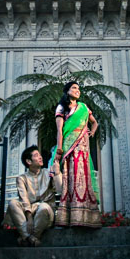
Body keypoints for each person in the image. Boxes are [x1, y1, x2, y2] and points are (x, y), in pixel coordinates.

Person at [49, 80, 103, 228]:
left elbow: (94, 122)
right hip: (69, 147)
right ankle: (70, 216)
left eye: (78, 88)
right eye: (74, 88)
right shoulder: (62, 107)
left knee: (83, 178)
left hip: (83, 147)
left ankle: (87, 216)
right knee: (71, 177)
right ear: (67, 91)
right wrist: (59, 150)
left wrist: (92, 131)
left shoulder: (84, 107)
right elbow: (59, 130)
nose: (77, 90)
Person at [2, 145, 62, 247]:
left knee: (43, 207)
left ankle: (26, 237)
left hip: (45, 214)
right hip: (28, 215)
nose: (40, 157)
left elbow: (60, 190)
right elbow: (24, 198)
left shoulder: (48, 173)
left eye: (40, 155)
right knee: (12, 203)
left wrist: (57, 173)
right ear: (29, 162)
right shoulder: (22, 178)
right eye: (36, 155)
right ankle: (31, 238)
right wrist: (29, 217)